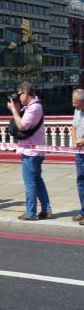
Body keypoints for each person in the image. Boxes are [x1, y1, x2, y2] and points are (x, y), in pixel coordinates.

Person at [7, 81, 51, 221]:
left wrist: (14, 110)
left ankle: (31, 213)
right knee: (37, 181)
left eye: (20, 94)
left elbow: (22, 126)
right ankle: (46, 209)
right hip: (35, 150)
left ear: (26, 93)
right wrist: (17, 108)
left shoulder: (34, 108)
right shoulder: (32, 106)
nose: (19, 97)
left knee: (30, 183)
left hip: (31, 152)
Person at [70, 89, 84, 225]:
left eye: (75, 103)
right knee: (80, 182)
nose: (73, 105)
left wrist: (83, 141)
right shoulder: (77, 110)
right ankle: (83, 211)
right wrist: (75, 141)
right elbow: (73, 127)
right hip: (80, 153)